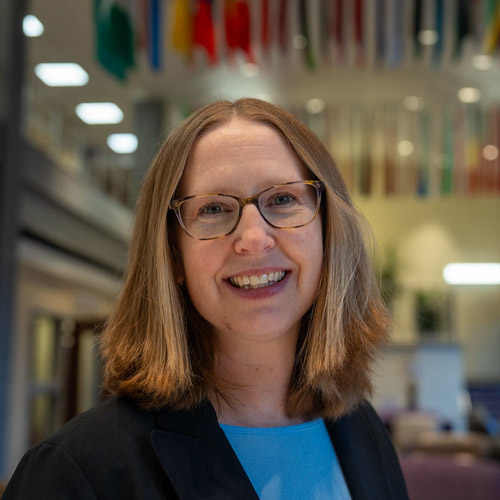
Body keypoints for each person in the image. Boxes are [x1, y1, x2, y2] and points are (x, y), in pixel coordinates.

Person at [3, 98, 408, 499]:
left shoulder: (362, 430)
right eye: (213, 208)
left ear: (328, 233)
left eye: (283, 199)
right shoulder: (76, 472)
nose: (253, 238)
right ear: (173, 254)